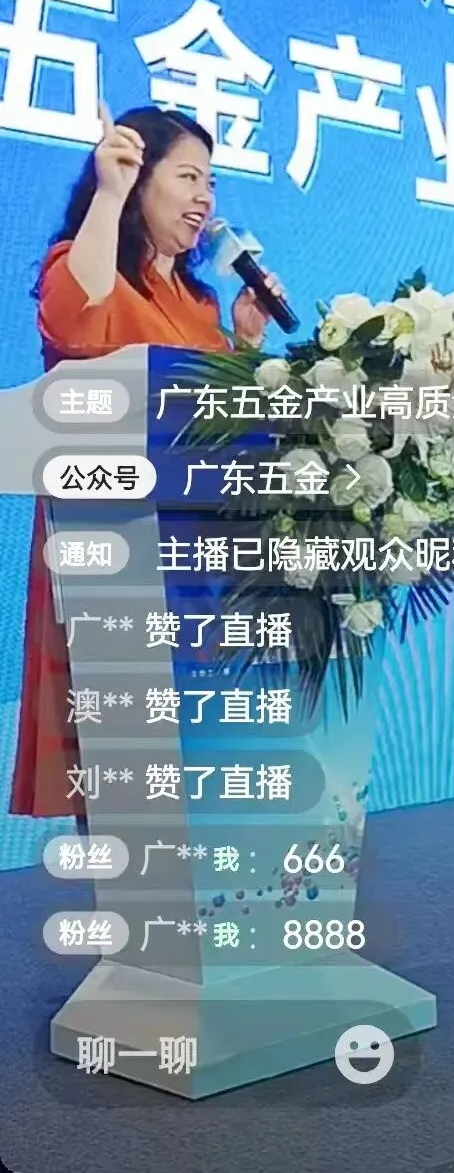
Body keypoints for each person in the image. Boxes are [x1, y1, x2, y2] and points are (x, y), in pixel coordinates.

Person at [10, 104, 283, 818]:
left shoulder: (198, 302)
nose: (205, 198)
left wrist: (246, 345)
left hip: (194, 559)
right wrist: (109, 192)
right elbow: (75, 323)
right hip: (112, 547)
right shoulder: (81, 264)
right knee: (117, 779)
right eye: (188, 177)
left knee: (188, 773)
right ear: (139, 180)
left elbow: (222, 424)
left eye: (211, 183)